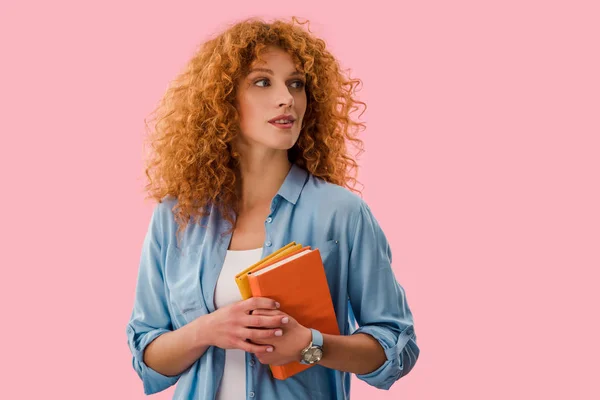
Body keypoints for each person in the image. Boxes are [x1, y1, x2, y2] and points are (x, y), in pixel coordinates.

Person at [126, 16, 419, 399]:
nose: (286, 98)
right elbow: (147, 356)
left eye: (296, 83)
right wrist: (207, 331)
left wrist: (310, 346)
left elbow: (398, 347)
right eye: (262, 81)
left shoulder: (341, 213)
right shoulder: (177, 216)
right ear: (222, 101)